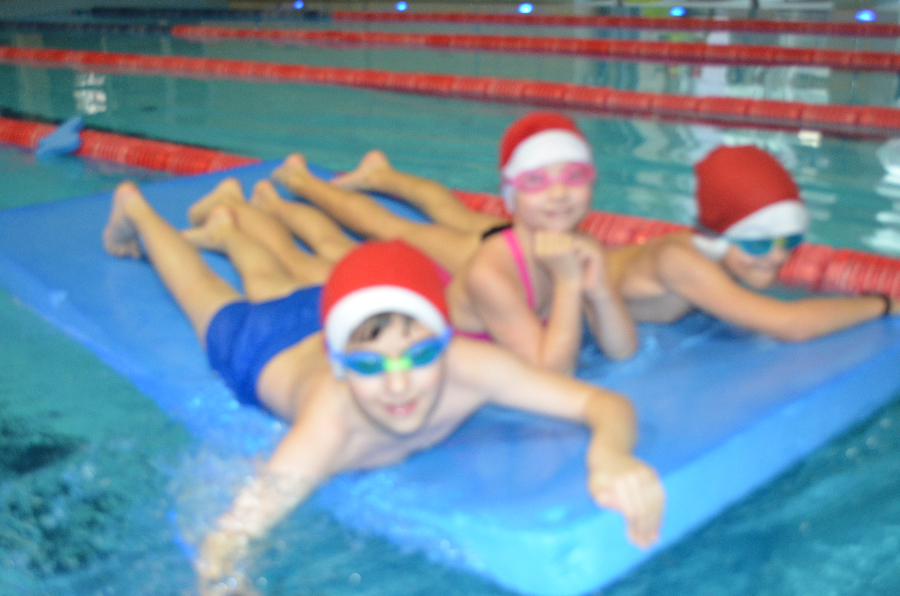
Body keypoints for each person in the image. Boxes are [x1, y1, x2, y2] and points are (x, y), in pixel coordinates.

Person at [102, 181, 665, 596]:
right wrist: (225, 581)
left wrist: (611, 455)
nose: (398, 384)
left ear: (444, 342)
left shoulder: (471, 368)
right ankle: (138, 212)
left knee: (270, 280)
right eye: (372, 367)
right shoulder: (328, 430)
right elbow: (228, 536)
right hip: (263, 349)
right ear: (342, 367)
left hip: (341, 315)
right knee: (200, 292)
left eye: (419, 356)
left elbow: (602, 404)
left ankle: (229, 230)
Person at [256, 111, 639, 375]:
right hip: (407, 305)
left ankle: (286, 195)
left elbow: (623, 350)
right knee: (325, 260)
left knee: (352, 242)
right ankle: (266, 207)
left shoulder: (577, 247)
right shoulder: (493, 274)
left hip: (441, 285)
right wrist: (570, 284)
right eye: (536, 181)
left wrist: (600, 289)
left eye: (574, 176)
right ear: (510, 198)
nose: (558, 194)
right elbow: (552, 375)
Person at [605, 144, 899, 339]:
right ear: (718, 239)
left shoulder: (715, 254)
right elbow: (792, 325)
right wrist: (882, 304)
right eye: (757, 244)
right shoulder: (680, 262)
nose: (778, 256)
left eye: (789, 240)